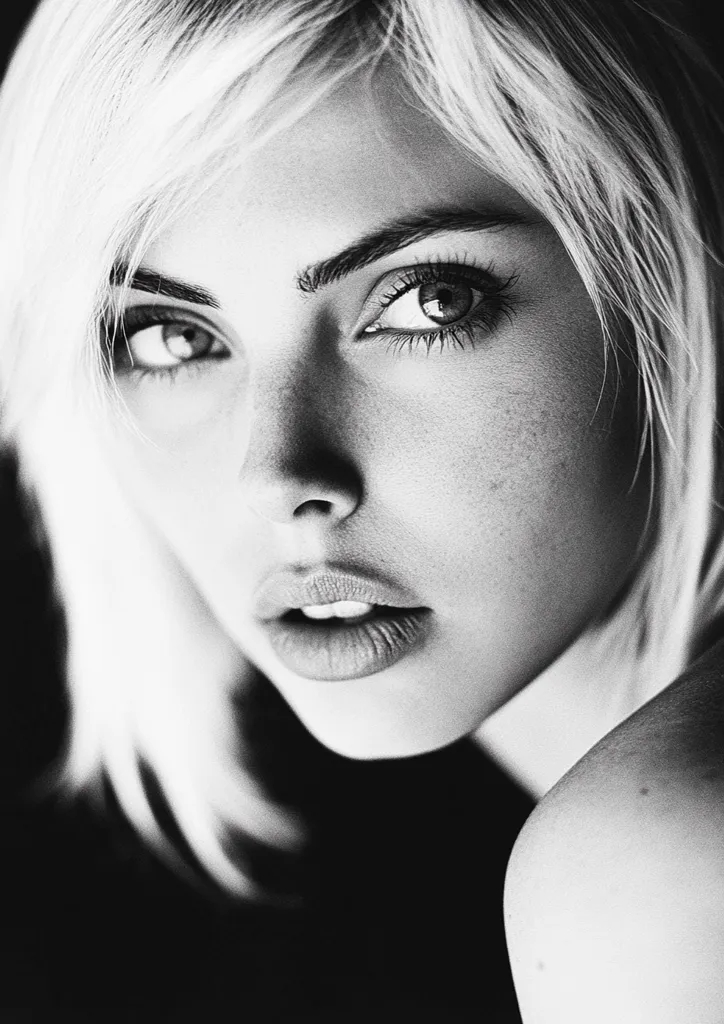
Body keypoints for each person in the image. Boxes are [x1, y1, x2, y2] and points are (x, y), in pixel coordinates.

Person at [0, 0, 722, 1019]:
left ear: (672, 266)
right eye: (169, 335)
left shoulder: (666, 863)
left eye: (429, 300)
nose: (278, 471)